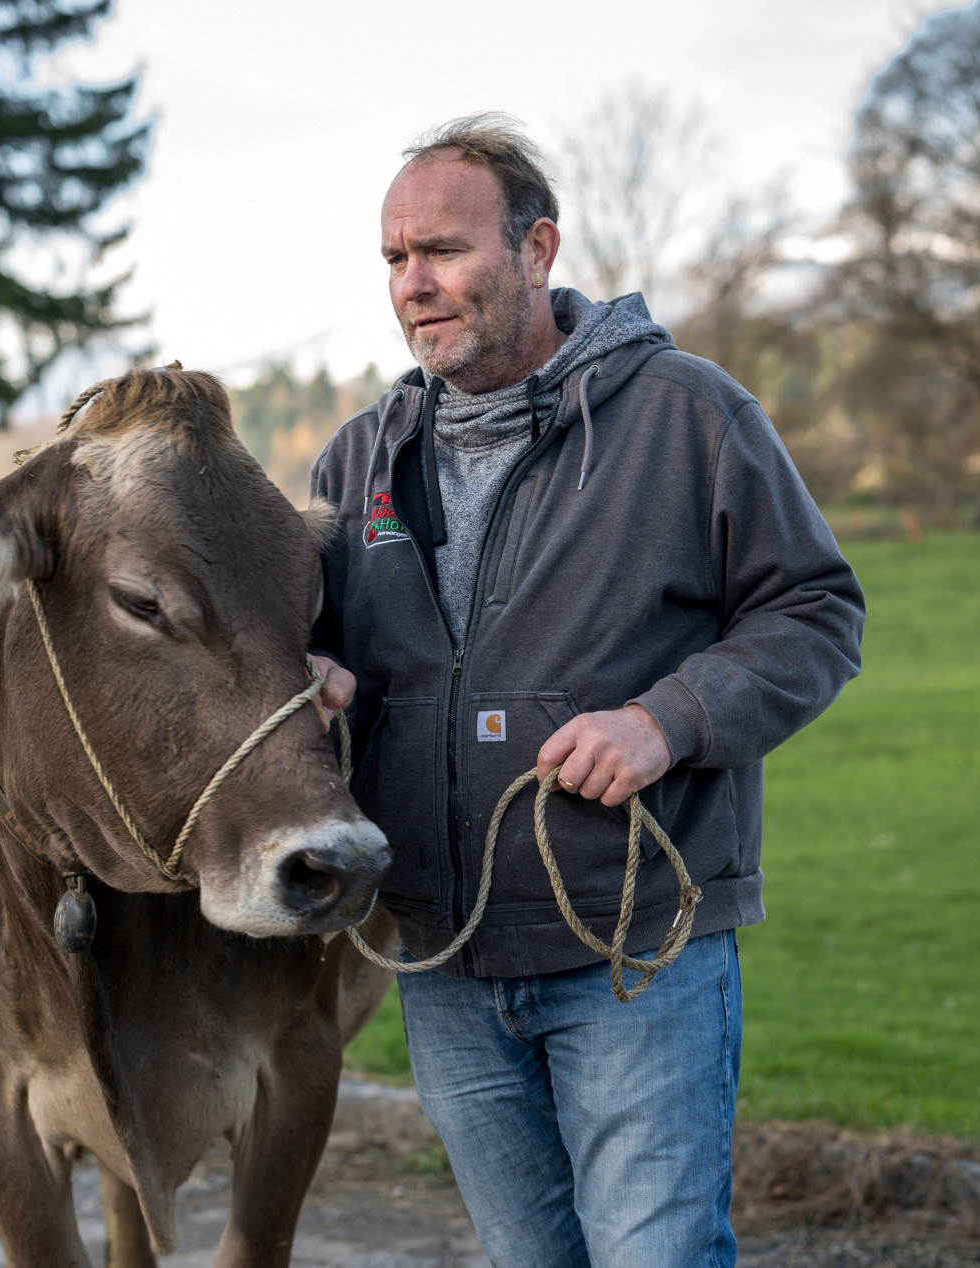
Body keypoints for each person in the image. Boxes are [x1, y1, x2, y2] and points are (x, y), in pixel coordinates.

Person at [307, 113, 866, 1267]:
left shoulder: (687, 414)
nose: (413, 283)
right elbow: (308, 657)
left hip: (633, 950)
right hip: (445, 959)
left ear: (537, 247)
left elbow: (814, 610)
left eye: (443, 250)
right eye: (395, 258)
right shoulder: (358, 459)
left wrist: (668, 720)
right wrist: (312, 680)